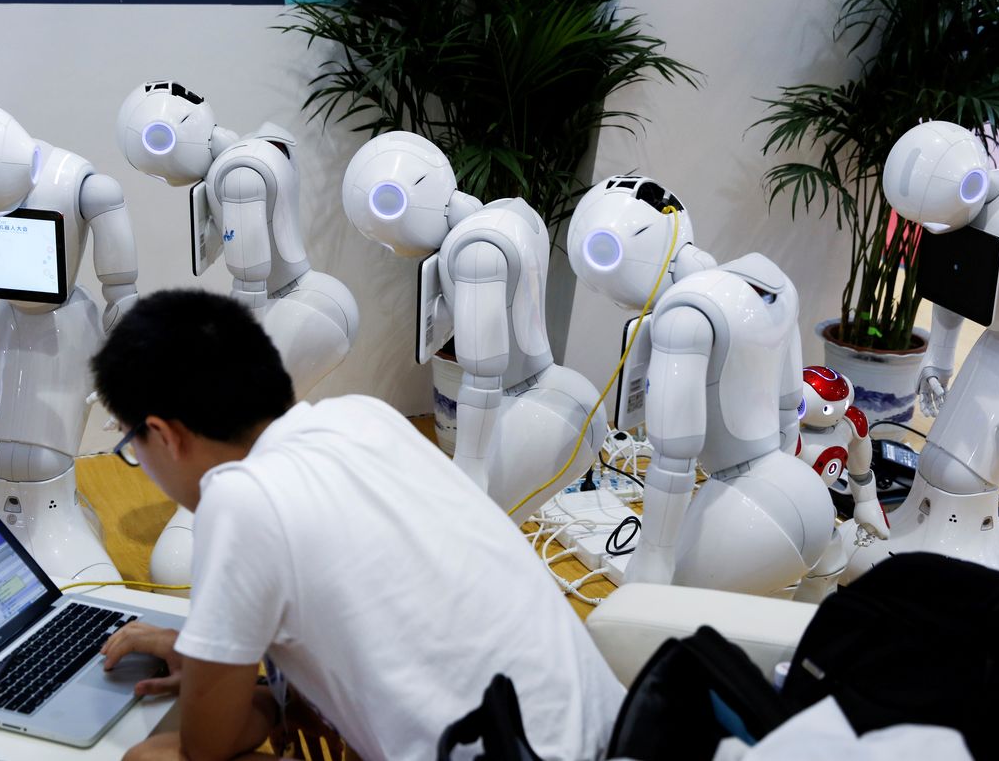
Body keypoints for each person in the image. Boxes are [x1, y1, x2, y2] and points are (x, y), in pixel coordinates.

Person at [91, 289, 625, 761]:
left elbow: (205, 747)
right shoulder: (364, 417)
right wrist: (213, 660)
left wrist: (220, 683)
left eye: (128, 443)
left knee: (150, 757)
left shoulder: (240, 499)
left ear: (164, 435)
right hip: (625, 735)